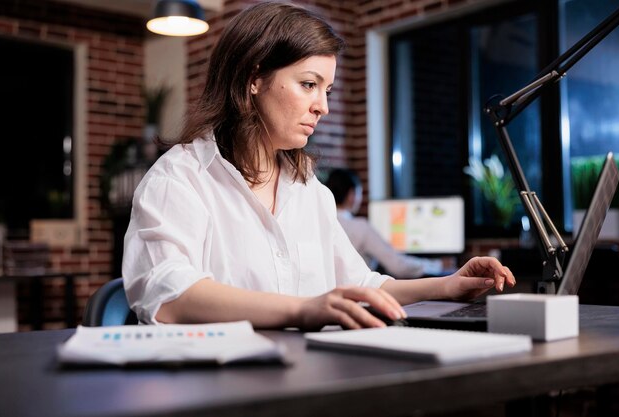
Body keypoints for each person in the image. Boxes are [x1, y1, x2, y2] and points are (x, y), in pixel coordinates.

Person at [122, 2, 515, 330]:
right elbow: (168, 294)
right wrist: (302, 308)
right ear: (253, 77)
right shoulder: (181, 178)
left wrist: (447, 285)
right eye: (308, 85)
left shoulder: (309, 191)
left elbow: (360, 285)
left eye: (326, 91)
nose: (322, 107)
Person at [325, 168, 454, 278]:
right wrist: (438, 265)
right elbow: (398, 266)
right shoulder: (360, 227)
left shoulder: (321, 224)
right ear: (351, 195)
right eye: (359, 193)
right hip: (360, 298)